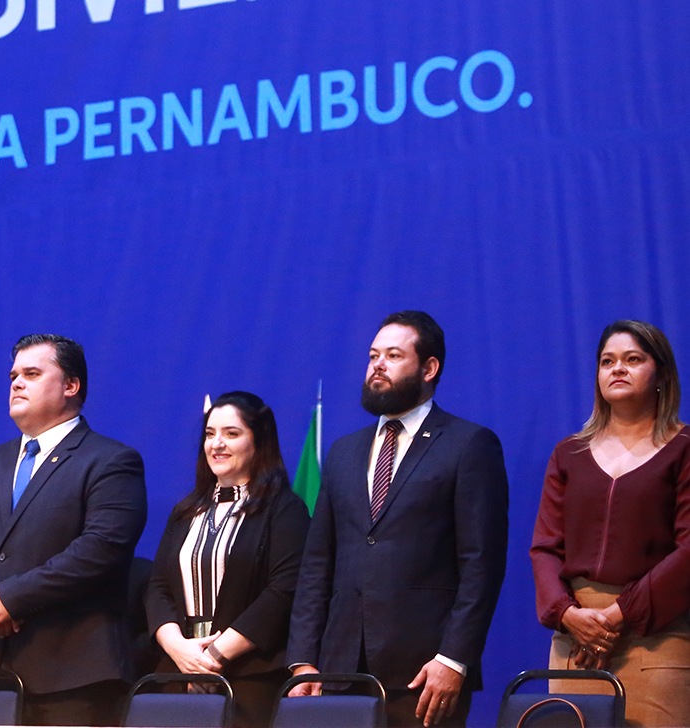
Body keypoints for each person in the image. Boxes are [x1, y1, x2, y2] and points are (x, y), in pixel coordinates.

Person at [287, 311, 508, 728]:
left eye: (393, 355)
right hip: (339, 671)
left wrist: (454, 659)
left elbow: (482, 564)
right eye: (373, 356)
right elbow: (317, 563)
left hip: (423, 675)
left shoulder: (469, 445)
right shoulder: (344, 452)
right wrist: (303, 659)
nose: (377, 366)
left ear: (429, 368)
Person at [0, 333, 148, 726]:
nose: (17, 383)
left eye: (31, 374)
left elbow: (101, 549)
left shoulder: (111, 461)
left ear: (71, 385)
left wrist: (12, 599)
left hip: (72, 673)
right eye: (13, 375)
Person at [530, 319, 689, 727]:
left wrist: (618, 616)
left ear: (662, 375)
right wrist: (569, 616)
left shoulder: (684, 449)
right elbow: (545, 548)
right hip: (575, 642)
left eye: (632, 359)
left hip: (656, 640)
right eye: (607, 361)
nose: (617, 368)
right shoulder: (569, 453)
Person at [145, 392, 310, 728]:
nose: (217, 444)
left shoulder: (284, 510)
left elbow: (282, 592)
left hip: (249, 679)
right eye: (210, 434)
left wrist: (213, 657)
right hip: (178, 672)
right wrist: (178, 648)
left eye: (231, 434)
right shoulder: (185, 511)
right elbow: (157, 588)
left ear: (258, 441)